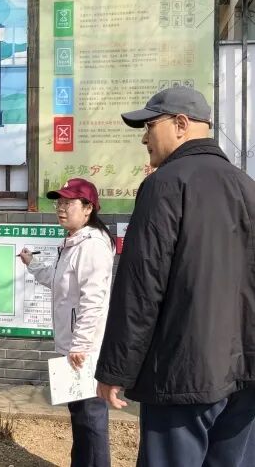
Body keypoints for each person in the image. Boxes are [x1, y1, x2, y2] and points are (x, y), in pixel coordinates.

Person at [95, 86, 255, 466]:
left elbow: (141, 286)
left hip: (183, 373)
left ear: (181, 124)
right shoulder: (247, 187)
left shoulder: (165, 184)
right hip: (246, 373)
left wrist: (116, 369)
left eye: (150, 126)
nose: (145, 139)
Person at [20, 177, 115, 467]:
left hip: (85, 349)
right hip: (74, 344)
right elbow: (58, 280)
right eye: (58, 203)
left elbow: (93, 299)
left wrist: (81, 344)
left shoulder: (92, 246)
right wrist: (33, 263)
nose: (61, 208)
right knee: (81, 415)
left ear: (88, 208)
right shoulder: (74, 242)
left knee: (91, 416)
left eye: (68, 203)